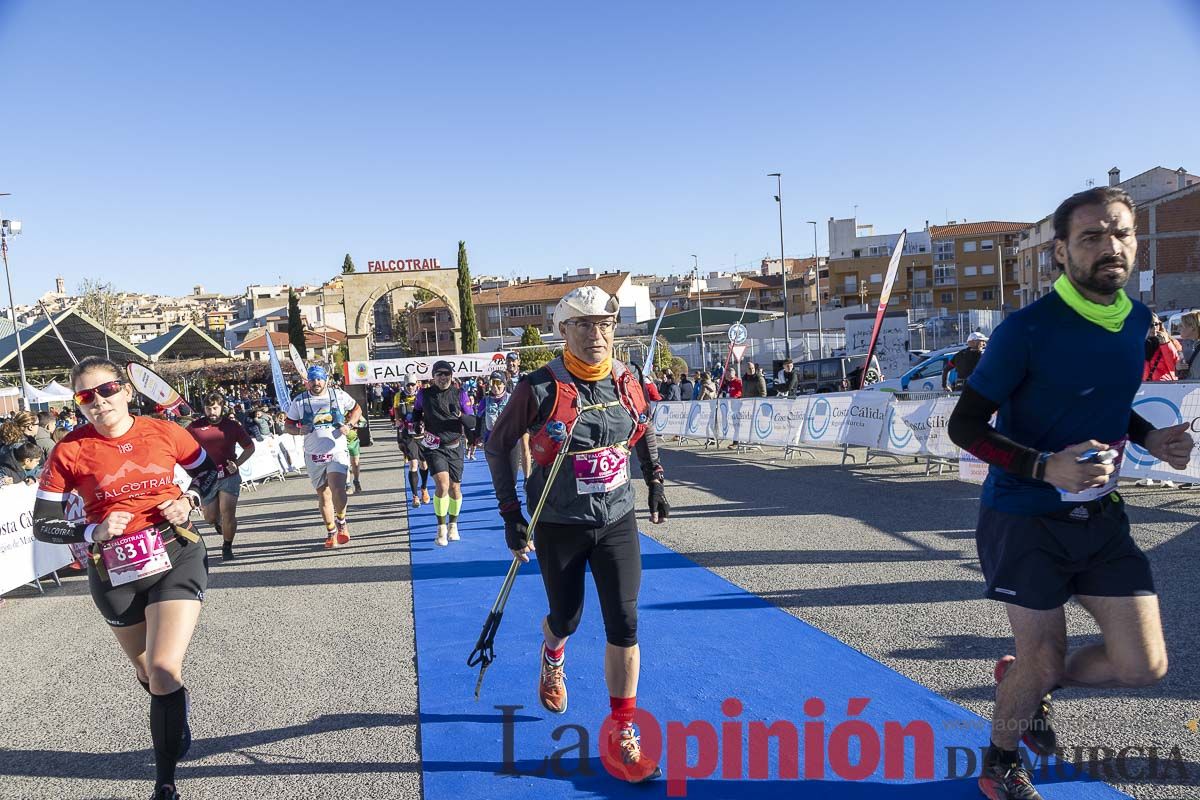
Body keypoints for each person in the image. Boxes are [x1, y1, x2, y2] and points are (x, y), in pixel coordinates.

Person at [947, 186, 1190, 800]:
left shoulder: (1136, 322)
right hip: (1023, 515)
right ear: (1060, 252)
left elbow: (1107, 404)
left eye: (1121, 233)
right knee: (1044, 658)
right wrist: (1042, 468)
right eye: (1092, 236)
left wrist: (1151, 437)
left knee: (1144, 666)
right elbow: (965, 425)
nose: (1111, 246)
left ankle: (1025, 682)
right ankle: (1002, 759)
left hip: (1101, 518)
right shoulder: (1026, 330)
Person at [484, 286, 670, 785]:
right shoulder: (539, 388)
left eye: (605, 324)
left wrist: (654, 481)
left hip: (616, 518)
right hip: (559, 522)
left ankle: (622, 732)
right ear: (563, 331)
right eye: (584, 325)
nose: (597, 334)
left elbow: (645, 425)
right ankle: (552, 652)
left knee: (625, 623)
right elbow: (497, 446)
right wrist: (510, 514)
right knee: (566, 616)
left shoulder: (628, 379)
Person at [33, 356, 222, 800]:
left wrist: (190, 501)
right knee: (147, 672)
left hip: (175, 551)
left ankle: (165, 782)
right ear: (78, 404)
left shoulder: (164, 432)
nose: (99, 402)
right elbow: (43, 524)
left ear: (127, 390)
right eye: (86, 396)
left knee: (161, 668)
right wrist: (90, 530)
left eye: (107, 390)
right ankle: (174, 706)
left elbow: (210, 475)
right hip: (114, 568)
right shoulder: (69, 450)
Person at [284, 365, 361, 549]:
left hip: (337, 451)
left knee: (338, 488)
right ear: (307, 381)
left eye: (319, 379)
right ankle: (331, 531)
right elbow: (288, 426)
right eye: (312, 379)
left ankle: (341, 521)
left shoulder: (338, 395)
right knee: (324, 494)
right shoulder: (300, 401)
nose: (316, 383)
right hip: (313, 454)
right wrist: (298, 430)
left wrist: (349, 425)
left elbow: (357, 409)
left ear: (325, 380)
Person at [413, 360, 476, 546]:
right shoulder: (424, 394)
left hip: (455, 445)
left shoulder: (460, 394)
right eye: (439, 374)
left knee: (455, 488)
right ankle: (440, 527)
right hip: (434, 445)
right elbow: (416, 412)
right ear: (433, 376)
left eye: (446, 373)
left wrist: (460, 416)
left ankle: (453, 525)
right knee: (442, 484)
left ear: (451, 375)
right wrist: (417, 424)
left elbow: (471, 421)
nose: (443, 377)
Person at [186, 394, 255, 560]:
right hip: (206, 477)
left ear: (222, 407)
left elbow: (250, 447)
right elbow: (182, 449)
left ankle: (227, 546)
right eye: (208, 409)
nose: (212, 412)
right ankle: (217, 523)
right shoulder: (194, 427)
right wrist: (192, 470)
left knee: (228, 513)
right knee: (209, 517)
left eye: (215, 408)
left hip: (229, 476)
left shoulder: (231, 426)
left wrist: (237, 464)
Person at [1143, 315, 1180, 381]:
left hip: (1163, 386)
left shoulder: (1169, 342)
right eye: (1150, 325)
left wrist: (1165, 344)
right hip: (1144, 387)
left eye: (1156, 324)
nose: (1154, 328)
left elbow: (1173, 366)